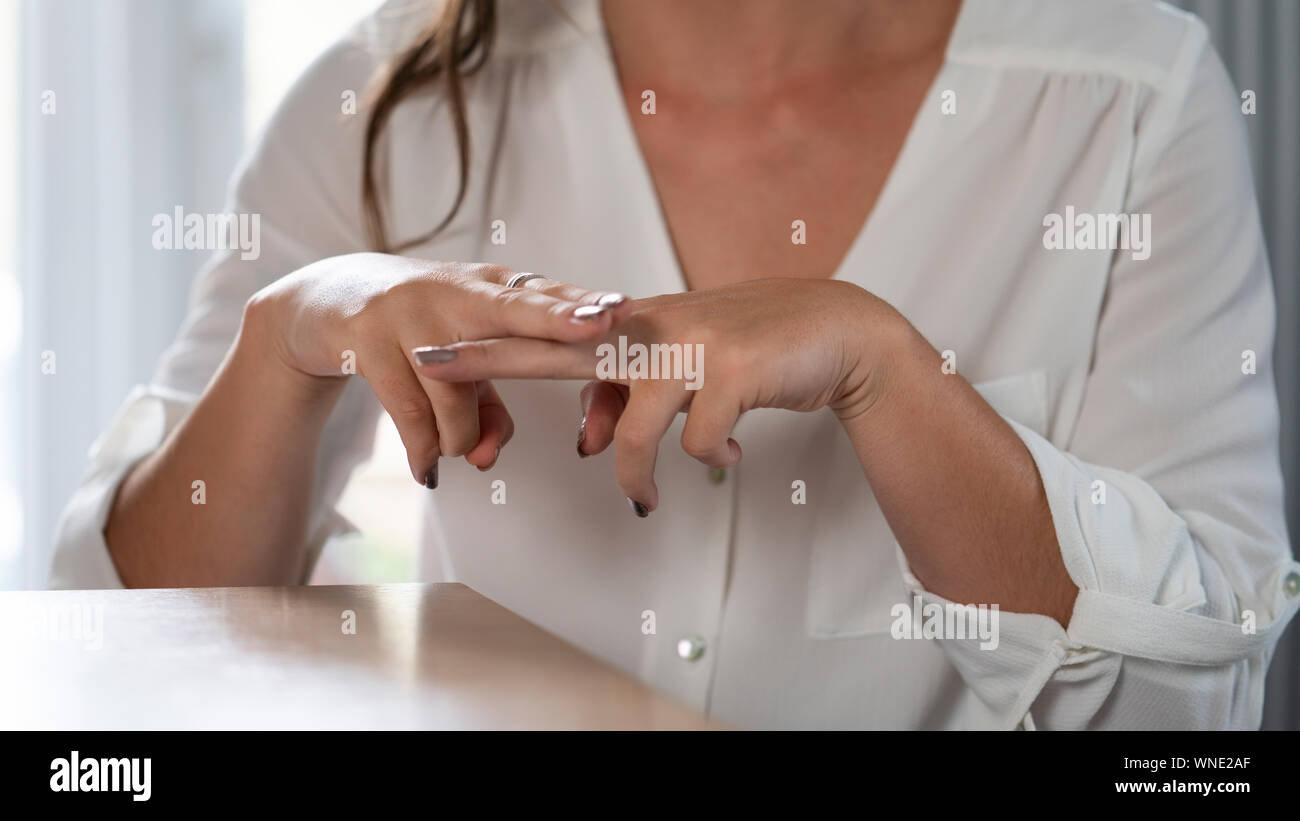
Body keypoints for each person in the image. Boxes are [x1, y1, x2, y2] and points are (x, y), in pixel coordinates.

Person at [51, 0, 1299, 729]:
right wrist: (292, 336)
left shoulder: (1130, 98)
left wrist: (887, 374)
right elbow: (116, 658)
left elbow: (1197, 723)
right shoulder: (384, 97)